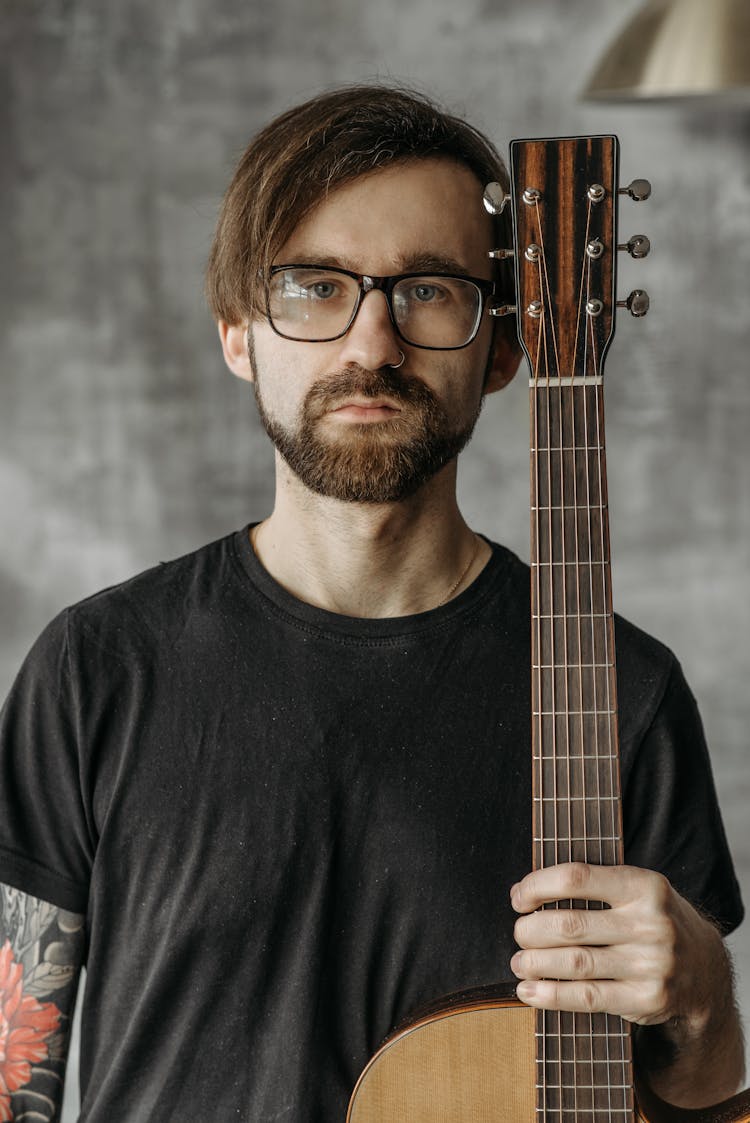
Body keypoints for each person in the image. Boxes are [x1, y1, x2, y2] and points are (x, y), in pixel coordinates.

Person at [0, 85, 744, 1123]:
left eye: (430, 290)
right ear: (237, 333)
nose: (372, 344)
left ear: (504, 345)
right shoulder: (95, 668)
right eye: (314, 287)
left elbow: (690, 1098)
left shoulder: (627, 690)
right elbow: (9, 1077)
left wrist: (709, 1009)